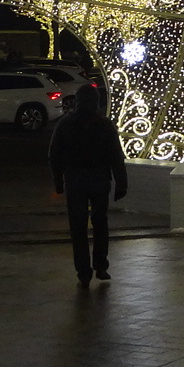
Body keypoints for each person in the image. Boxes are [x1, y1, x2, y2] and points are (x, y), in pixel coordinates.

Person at [48, 85, 127, 288]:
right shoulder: (105, 124)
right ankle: (101, 265)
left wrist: (58, 180)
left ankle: (83, 271)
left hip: (75, 179)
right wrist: (121, 181)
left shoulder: (66, 124)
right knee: (100, 222)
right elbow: (116, 156)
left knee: (78, 226)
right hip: (100, 178)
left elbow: (54, 155)